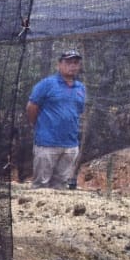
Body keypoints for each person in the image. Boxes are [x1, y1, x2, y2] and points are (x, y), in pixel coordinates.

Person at [26, 49, 86, 188]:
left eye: (76, 63)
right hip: (47, 144)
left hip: (70, 145)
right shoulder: (46, 84)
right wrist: (38, 126)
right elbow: (31, 107)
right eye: (68, 62)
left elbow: (78, 111)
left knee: (60, 187)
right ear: (59, 64)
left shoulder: (80, 87)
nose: (72, 66)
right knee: (41, 186)